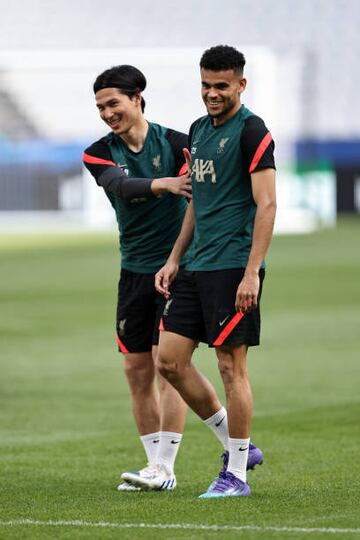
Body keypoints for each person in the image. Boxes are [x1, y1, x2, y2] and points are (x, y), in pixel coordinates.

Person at [151, 45, 277, 498]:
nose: (211, 94)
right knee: (168, 361)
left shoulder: (253, 131)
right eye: (206, 85)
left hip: (232, 267)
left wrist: (252, 273)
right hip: (196, 264)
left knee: (230, 366)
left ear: (241, 84)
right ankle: (238, 445)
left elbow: (267, 204)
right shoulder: (198, 130)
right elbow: (196, 204)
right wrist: (173, 258)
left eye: (221, 86)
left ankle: (236, 475)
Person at [83, 64, 192, 491]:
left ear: (137, 98)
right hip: (133, 272)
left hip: (177, 271)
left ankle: (165, 467)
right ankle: (154, 468)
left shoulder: (182, 144)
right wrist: (165, 184)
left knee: (170, 368)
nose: (107, 113)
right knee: (135, 369)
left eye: (113, 103)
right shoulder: (98, 152)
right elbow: (120, 187)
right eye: (100, 107)